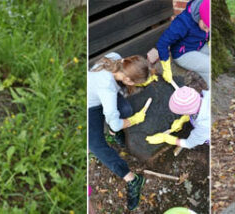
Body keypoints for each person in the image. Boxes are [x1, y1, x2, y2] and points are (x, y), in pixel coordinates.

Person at [88, 52, 155, 210]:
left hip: (101, 94)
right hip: (90, 105)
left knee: (125, 108)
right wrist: (134, 120)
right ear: (128, 80)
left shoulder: (115, 57)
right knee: (96, 146)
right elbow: (117, 123)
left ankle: (112, 133)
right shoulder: (108, 90)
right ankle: (133, 180)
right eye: (135, 84)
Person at [155, 0, 210, 86]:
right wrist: (166, 68)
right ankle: (208, 96)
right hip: (183, 53)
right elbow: (162, 43)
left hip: (199, 45)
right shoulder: (183, 23)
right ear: (200, 15)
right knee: (209, 65)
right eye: (205, 26)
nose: (207, 31)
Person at [145, 86, 210, 149]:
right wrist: (183, 119)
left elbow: (189, 144)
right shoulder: (207, 95)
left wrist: (167, 138)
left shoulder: (203, 126)